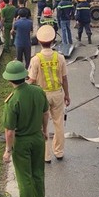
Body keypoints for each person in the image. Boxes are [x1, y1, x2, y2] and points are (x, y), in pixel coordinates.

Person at [2, 60, 49, 197]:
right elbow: (45, 113)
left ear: (9, 80)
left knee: (24, 177)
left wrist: (8, 150)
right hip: (37, 137)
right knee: (38, 172)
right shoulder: (38, 91)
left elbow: (9, 131)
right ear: (24, 75)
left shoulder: (12, 100)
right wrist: (44, 130)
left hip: (22, 142)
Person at [28, 25, 70, 163]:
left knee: (42, 126)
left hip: (41, 96)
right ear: (53, 41)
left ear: (39, 42)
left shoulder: (36, 59)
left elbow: (32, 80)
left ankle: (46, 155)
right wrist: (67, 95)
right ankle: (59, 151)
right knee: (59, 124)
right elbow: (64, 78)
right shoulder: (60, 57)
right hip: (57, 93)